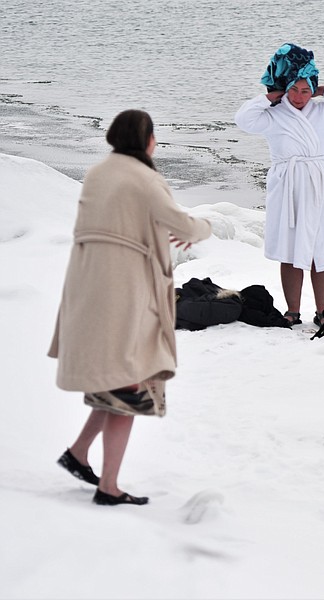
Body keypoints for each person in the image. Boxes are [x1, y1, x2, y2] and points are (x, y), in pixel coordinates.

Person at [49, 109, 212, 505]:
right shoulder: (145, 178)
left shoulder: (98, 173)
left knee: (114, 377)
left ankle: (78, 453)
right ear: (147, 140)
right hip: (126, 290)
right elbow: (183, 225)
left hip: (88, 285)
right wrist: (203, 227)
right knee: (129, 385)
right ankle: (109, 488)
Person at [234, 43, 324, 326]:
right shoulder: (274, 115)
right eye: (294, 89)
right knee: (290, 250)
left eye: (305, 90)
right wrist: (271, 96)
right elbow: (243, 119)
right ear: (284, 87)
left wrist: (320, 89)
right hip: (287, 185)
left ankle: (323, 311)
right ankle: (293, 311)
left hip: (318, 183)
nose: (300, 96)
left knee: (322, 248)